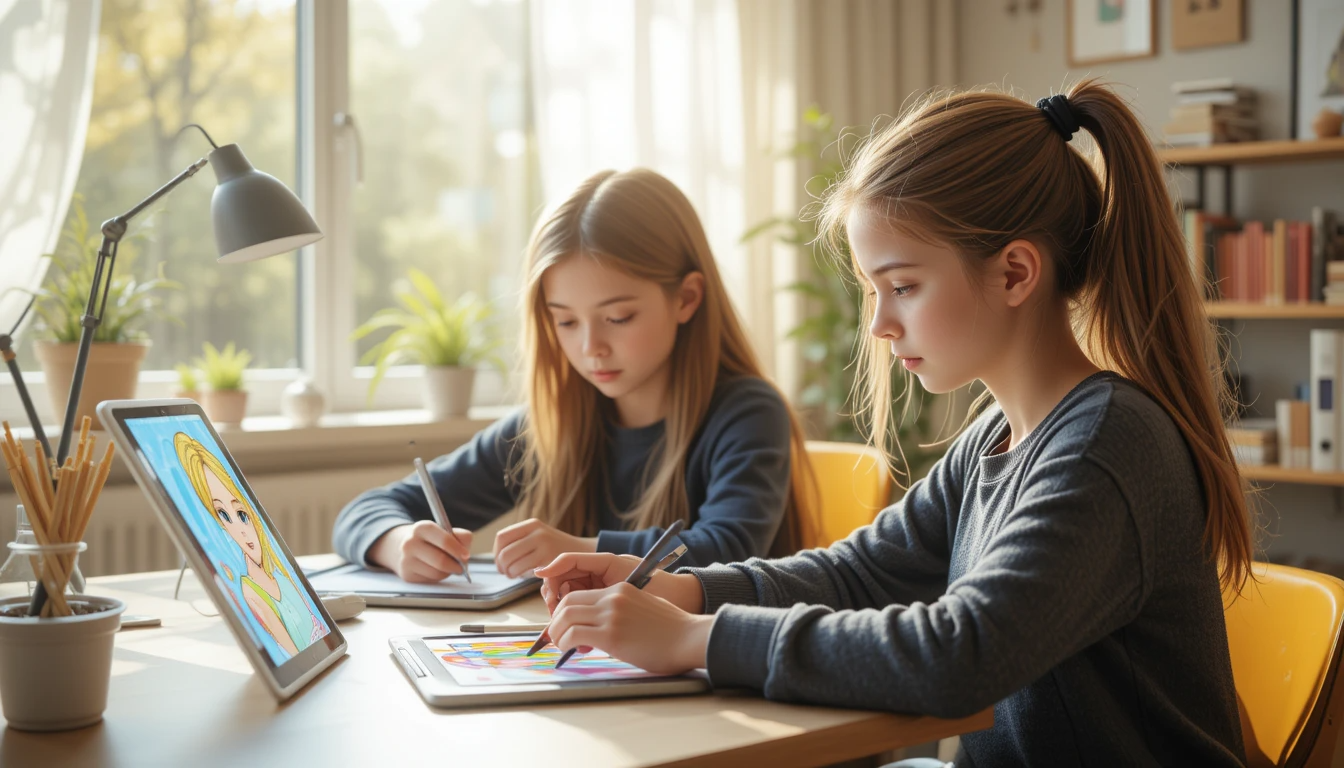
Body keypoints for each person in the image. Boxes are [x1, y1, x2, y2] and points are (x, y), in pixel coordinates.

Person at [533, 80, 1253, 766]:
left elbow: (959, 655)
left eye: (902, 286)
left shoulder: (1104, 446)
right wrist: (679, 589)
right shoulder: (995, 438)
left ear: (1014, 273)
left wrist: (698, 637)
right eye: (874, 291)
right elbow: (860, 573)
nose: (878, 324)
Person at [333, 168, 817, 581]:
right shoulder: (552, 422)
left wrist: (581, 550)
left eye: (619, 317)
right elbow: (364, 511)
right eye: (565, 321)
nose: (590, 348)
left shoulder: (748, 413)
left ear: (686, 299)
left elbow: (727, 549)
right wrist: (397, 544)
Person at [176, 432, 324, 658]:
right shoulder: (251, 592)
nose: (243, 530)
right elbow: (296, 657)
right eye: (224, 515)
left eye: (242, 514)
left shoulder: (281, 574)